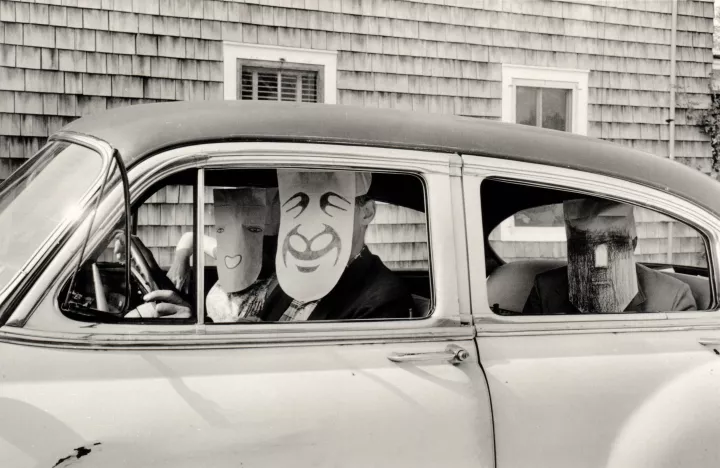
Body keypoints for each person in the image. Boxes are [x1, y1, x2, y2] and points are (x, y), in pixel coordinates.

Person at [133, 170, 416, 322]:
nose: (308, 228)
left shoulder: (382, 298)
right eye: (297, 209)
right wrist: (193, 322)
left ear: (366, 213)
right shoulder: (289, 269)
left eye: (330, 207)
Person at [523, 198, 697, 315]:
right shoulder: (545, 289)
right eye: (584, 247)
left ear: (633, 244)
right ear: (571, 249)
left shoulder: (672, 299)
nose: (599, 264)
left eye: (613, 245)